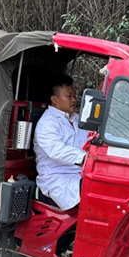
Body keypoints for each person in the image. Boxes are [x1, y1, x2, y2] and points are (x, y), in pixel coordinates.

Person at [33, 74, 89, 210]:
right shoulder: (47, 123)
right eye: (69, 96)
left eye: (74, 96)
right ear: (54, 100)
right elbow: (56, 150)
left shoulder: (77, 119)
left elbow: (92, 139)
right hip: (58, 180)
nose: (74, 100)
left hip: (79, 175)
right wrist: (85, 157)